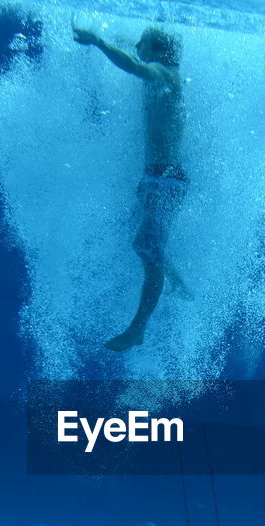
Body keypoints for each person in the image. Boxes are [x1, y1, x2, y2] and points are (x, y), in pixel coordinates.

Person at [72, 23, 187, 351]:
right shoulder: (163, 69)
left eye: (143, 43)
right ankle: (176, 280)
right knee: (141, 238)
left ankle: (138, 328)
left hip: (165, 180)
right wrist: (113, 36)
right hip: (157, 178)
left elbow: (135, 65)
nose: (137, 45)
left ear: (157, 50)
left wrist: (98, 42)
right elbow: (134, 51)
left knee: (149, 251)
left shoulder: (164, 74)